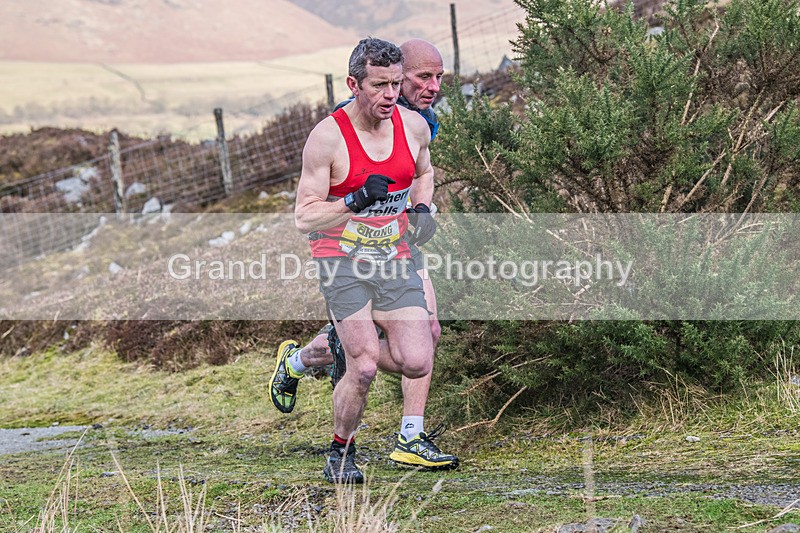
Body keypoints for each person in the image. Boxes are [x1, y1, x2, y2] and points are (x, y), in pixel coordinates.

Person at [269, 39, 454, 474]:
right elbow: (304, 216)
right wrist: (353, 200)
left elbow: (424, 171)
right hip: (341, 255)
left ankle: (326, 352)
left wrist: (423, 208)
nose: (391, 94)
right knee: (366, 363)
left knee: (420, 353)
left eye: (396, 85)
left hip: (394, 249)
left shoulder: (418, 125)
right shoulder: (330, 134)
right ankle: (346, 451)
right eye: (383, 85)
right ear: (356, 84)